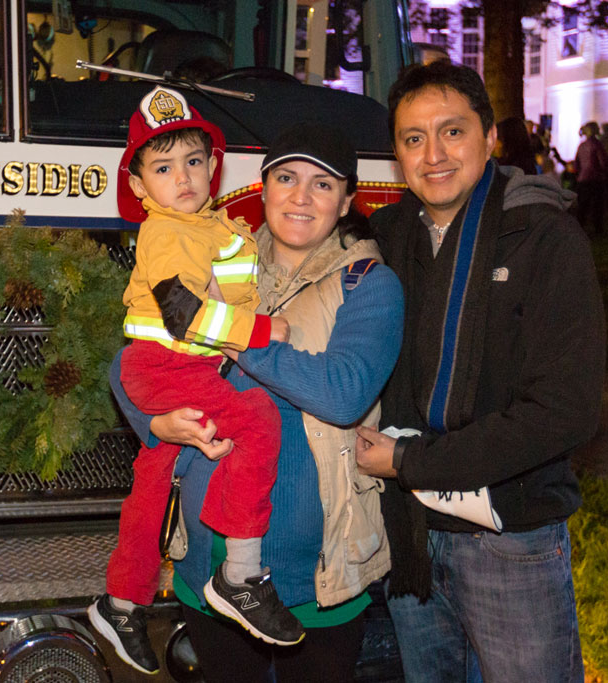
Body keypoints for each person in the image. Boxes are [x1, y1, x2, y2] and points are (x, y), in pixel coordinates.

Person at [111, 121, 404, 682]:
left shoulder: (368, 284)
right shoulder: (220, 254)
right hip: (208, 564)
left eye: (322, 185)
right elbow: (129, 361)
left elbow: (341, 394)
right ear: (262, 188)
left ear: (347, 201)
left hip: (317, 578)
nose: (300, 196)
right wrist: (156, 423)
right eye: (287, 177)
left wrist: (233, 332)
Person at [357, 60, 605, 682]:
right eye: (414, 139)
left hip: (509, 540)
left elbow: (564, 410)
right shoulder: (385, 240)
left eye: (453, 131)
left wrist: (413, 463)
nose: (433, 154)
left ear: (489, 137)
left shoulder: (545, 240)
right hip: (413, 539)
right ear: (397, 154)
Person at [88, 86, 299, 675]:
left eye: (193, 160)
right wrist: (264, 330)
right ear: (137, 186)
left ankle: (122, 599)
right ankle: (240, 574)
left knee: (153, 485)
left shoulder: (209, 226)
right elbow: (183, 314)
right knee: (257, 420)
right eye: (162, 166)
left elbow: (223, 285)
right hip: (169, 364)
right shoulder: (169, 232)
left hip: (164, 367)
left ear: (213, 166)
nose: (181, 177)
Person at [573, 121, 608, 233]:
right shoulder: (597, 144)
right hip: (596, 178)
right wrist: (605, 173)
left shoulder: (581, 146)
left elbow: (577, 164)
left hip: (582, 179)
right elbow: (603, 162)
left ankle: (579, 227)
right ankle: (598, 228)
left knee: (583, 205)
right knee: (597, 205)